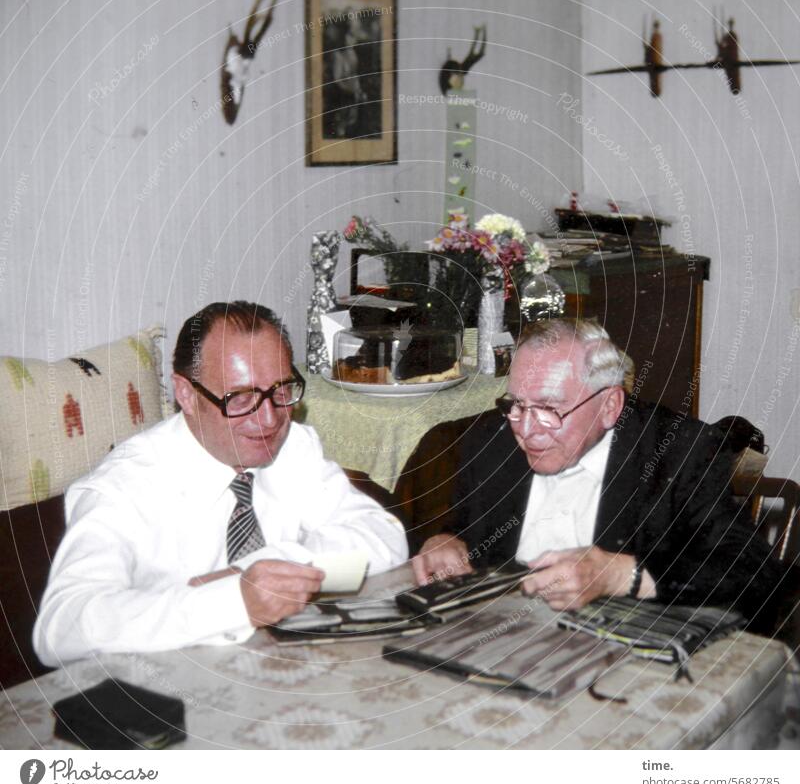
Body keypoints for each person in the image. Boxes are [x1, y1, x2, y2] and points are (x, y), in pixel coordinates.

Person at [34, 302, 408, 665]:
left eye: (281, 391)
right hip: (171, 694)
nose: (269, 420)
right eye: (241, 397)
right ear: (187, 395)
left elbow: (386, 539)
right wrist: (232, 601)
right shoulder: (123, 488)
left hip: (288, 673)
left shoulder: (295, 446)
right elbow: (59, 629)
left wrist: (270, 566)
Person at [412, 319, 785, 626]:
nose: (525, 430)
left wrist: (621, 575)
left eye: (549, 409)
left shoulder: (680, 451)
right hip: (496, 635)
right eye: (517, 405)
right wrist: (447, 541)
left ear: (609, 406)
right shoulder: (489, 437)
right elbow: (462, 527)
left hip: (617, 650)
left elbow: (752, 569)